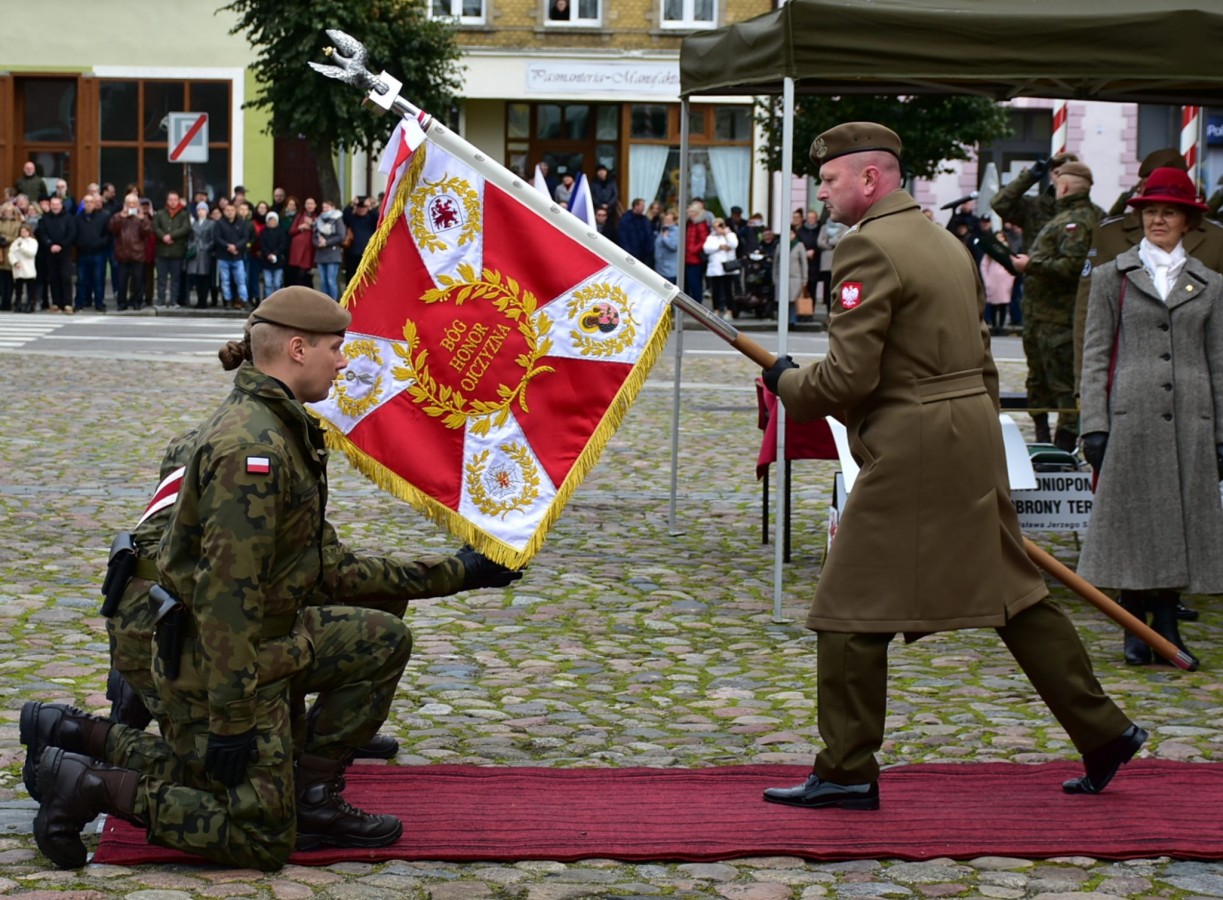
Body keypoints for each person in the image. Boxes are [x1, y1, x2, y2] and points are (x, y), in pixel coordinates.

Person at [26, 287, 524, 871]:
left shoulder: (278, 426)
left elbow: (327, 569)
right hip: (218, 659)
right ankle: (90, 784)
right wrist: (233, 721)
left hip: (261, 643)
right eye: (336, 348)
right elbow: (224, 601)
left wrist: (459, 573)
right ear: (295, 348)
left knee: (382, 637)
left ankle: (302, 795)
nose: (344, 361)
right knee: (259, 835)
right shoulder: (253, 449)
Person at [760, 121, 1143, 812]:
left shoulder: (866, 247)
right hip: (965, 432)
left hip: (915, 443)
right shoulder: (942, 241)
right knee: (1013, 593)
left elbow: (846, 379)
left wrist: (787, 382)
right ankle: (1103, 730)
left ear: (868, 179)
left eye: (827, 179)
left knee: (847, 609)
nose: (820, 193)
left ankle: (845, 768)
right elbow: (975, 357)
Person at [1078, 167, 1223, 669]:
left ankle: (1167, 620)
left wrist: (1221, 431)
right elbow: (1095, 355)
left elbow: (1219, 360)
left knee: (1181, 520)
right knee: (1132, 522)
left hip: (1192, 417)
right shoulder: (1110, 277)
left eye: (1169, 212)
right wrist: (1093, 422)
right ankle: (1134, 624)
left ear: (1188, 221)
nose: (1158, 219)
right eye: (1150, 212)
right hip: (1130, 414)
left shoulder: (1210, 284)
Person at [1011, 161, 1099, 451]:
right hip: (1041, 316)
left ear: (1063, 186)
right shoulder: (1069, 217)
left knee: (1062, 385)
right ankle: (1044, 444)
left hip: (1058, 319)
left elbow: (1072, 266)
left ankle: (1062, 451)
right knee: (1039, 381)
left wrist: (1031, 264)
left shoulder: (1076, 221)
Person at [992, 153, 1079, 254]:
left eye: (1067, 174)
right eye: (1057, 173)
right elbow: (999, 204)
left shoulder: (1086, 211)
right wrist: (1029, 177)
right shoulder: (1034, 206)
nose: (1061, 179)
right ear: (1051, 175)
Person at [109, 193, 153, 311]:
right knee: (122, 281)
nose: (131, 206)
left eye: (134, 204)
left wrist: (142, 219)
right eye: (129, 204)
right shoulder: (118, 216)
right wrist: (121, 216)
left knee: (138, 281)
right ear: (125, 205)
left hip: (137, 253)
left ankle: (137, 302)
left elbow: (148, 232)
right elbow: (112, 229)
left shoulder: (142, 217)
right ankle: (122, 303)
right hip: (122, 254)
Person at [37, 196, 76, 314]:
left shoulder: (69, 218)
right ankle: (56, 303)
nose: (55, 207)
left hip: (65, 252)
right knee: (53, 278)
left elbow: (72, 233)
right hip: (50, 251)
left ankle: (67, 303)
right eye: (53, 204)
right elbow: (42, 234)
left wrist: (61, 245)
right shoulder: (44, 219)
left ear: (61, 205)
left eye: (57, 204)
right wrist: (50, 245)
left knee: (65, 277)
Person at [152, 192, 192, 308]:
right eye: (170, 199)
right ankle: (161, 300)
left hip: (177, 252)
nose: (173, 202)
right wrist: (163, 236)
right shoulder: (160, 213)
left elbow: (186, 228)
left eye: (175, 199)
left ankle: (174, 301)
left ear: (178, 200)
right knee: (161, 279)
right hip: (161, 251)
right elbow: (155, 227)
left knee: (175, 279)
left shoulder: (184, 214)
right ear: (167, 201)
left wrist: (171, 236)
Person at [73, 193, 111, 312]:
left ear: (95, 204)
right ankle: (80, 302)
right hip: (83, 253)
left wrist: (100, 243)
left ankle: (99, 303)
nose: (89, 205)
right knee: (81, 280)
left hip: (98, 253)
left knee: (98, 279)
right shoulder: (77, 218)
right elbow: (74, 234)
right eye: (86, 202)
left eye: (91, 202)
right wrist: (79, 243)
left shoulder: (103, 217)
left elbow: (108, 235)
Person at [213, 201, 251, 309]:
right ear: (224, 212)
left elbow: (245, 238)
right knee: (225, 281)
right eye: (227, 210)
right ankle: (228, 300)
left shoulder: (241, 223)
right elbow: (217, 238)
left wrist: (236, 246)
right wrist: (228, 246)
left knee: (241, 280)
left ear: (236, 211)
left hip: (237, 256)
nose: (230, 212)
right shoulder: (219, 223)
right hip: (223, 256)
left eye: (232, 210)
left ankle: (244, 299)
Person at [980, 229, 1016, 335]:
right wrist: (986, 279)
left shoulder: (1008, 250)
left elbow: (1013, 264)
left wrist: (1011, 279)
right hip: (993, 279)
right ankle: (994, 325)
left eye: (1002, 237)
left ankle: (1001, 325)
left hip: (1005, 280)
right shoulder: (990, 252)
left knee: (1003, 304)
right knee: (993, 304)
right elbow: (984, 265)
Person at [703, 217, 739, 321]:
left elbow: (734, 244)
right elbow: (706, 249)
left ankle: (729, 310)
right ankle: (716, 309)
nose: (718, 228)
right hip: (715, 268)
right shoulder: (711, 237)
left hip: (727, 268)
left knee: (728, 290)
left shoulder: (730, 235)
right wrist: (719, 247)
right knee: (716, 290)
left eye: (720, 225)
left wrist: (725, 234)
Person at [774, 222, 809, 327]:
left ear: (794, 234)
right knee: (782, 300)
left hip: (795, 278)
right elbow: (776, 263)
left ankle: (792, 321)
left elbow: (804, 263)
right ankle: (782, 321)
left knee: (792, 300)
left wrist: (804, 278)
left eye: (791, 233)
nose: (789, 236)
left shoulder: (799, 246)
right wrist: (775, 278)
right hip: (781, 278)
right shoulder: (780, 246)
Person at [313, 200, 347, 301]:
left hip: (333, 254)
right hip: (321, 254)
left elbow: (341, 235)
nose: (325, 209)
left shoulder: (338, 219)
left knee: (331, 280)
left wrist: (327, 242)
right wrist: (318, 243)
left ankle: (333, 303)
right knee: (323, 281)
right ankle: (324, 303)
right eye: (323, 207)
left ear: (333, 207)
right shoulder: (318, 220)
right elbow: (314, 236)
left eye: (327, 207)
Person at [187, 201, 216, 308]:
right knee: (197, 278)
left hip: (205, 253)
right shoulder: (193, 223)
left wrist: (206, 247)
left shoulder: (211, 223)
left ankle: (203, 300)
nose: (201, 212)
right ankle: (199, 300)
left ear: (207, 211)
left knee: (205, 278)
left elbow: (213, 239)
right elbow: (189, 238)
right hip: (195, 253)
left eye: (203, 209)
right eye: (199, 209)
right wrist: (191, 247)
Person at [683, 202, 710, 303]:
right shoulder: (690, 223)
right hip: (688, 257)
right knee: (689, 282)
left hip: (695, 258)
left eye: (691, 211)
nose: (689, 213)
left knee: (695, 283)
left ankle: (697, 303)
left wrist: (693, 249)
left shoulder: (700, 224)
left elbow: (704, 240)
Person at [288, 197, 317, 288]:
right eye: (308, 203)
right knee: (297, 273)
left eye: (311, 203)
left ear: (315, 205)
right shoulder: (300, 216)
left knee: (305, 273)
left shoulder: (318, 217)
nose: (309, 206)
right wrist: (301, 227)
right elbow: (291, 231)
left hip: (309, 249)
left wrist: (312, 225)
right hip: (297, 249)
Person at [8, 223, 38, 312]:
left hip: (28, 268)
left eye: (25, 231)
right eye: (22, 231)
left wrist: (22, 246)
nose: (24, 233)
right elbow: (11, 253)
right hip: (18, 268)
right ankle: (18, 304)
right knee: (18, 289)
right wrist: (15, 262)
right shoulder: (16, 241)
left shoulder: (32, 241)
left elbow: (31, 253)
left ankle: (30, 304)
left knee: (30, 289)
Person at [617, 197, 654, 268]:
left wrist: (649, 250)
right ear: (636, 206)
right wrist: (628, 252)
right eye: (642, 206)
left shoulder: (645, 220)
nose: (644, 208)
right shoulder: (626, 220)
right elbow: (622, 237)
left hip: (643, 256)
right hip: (631, 255)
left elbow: (649, 235)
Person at [260, 211, 288, 297]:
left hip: (278, 261)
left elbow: (283, 244)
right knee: (268, 283)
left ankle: (278, 300)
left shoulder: (281, 231)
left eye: (274, 220)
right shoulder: (264, 232)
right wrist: (268, 254)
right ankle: (268, 300)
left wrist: (275, 253)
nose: (272, 222)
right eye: (270, 220)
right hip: (266, 261)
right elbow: (262, 244)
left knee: (277, 283)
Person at [0, 202, 21, 312]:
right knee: (2, 279)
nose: (7, 213)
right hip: (0, 252)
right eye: (5, 211)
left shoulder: (17, 224)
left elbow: (18, 238)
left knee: (10, 280)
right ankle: (3, 301)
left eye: (9, 211)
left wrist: (6, 239)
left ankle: (8, 301)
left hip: (11, 252)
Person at [653, 209, 679, 283]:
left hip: (669, 270)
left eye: (668, 219)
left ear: (674, 221)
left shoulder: (676, 231)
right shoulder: (663, 229)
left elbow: (674, 246)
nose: (665, 221)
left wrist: (665, 238)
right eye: (665, 219)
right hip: (659, 268)